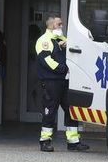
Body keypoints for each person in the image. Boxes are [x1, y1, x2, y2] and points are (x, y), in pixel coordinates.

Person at [36, 14, 89, 153]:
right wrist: (63, 68)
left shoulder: (61, 39)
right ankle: (45, 141)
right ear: (51, 25)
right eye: (59, 24)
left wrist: (66, 44)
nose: (61, 26)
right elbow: (47, 61)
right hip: (51, 81)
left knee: (71, 110)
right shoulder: (44, 40)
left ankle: (73, 141)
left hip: (65, 81)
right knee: (50, 111)